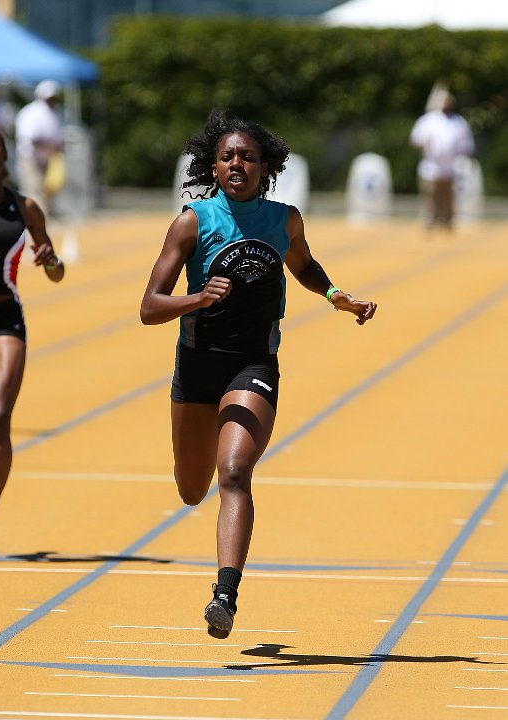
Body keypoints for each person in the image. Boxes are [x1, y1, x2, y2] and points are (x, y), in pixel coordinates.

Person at [140, 108, 377, 638]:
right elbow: (148, 307)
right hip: (197, 366)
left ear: (265, 165)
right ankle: (214, 550)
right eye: (227, 157)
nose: (237, 164)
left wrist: (337, 296)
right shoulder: (193, 221)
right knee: (190, 488)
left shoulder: (284, 218)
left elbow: (304, 264)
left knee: (235, 472)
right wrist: (198, 297)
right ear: (213, 167)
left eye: (247, 156)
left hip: (253, 363)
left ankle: (225, 594)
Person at [0, 124, 64, 562]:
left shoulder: (24, 208)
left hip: (3, 319)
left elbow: (56, 270)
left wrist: (51, 258)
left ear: (5, 154)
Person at [409, 91, 475, 230]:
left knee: (448, 199)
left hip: (451, 168)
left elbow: (466, 145)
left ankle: (447, 223)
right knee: (430, 198)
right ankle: (430, 222)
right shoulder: (429, 120)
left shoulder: (459, 122)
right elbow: (416, 140)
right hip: (431, 168)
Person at [15, 79, 65, 214]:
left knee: (47, 193)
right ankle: (36, 224)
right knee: (34, 192)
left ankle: (44, 221)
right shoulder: (32, 113)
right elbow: (31, 138)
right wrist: (51, 145)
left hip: (48, 159)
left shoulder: (56, 113)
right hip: (31, 158)